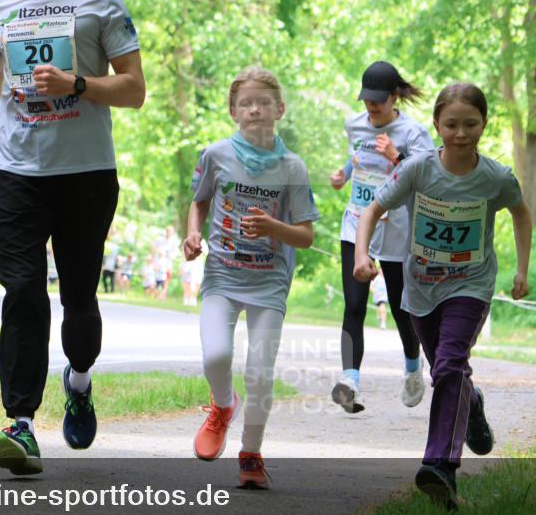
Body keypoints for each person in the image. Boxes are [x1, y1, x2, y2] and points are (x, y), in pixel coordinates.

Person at [0, 0, 145, 475]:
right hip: (15, 170)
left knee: (79, 298)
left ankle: (79, 380)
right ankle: (19, 424)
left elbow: (134, 88)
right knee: (22, 290)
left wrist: (76, 84)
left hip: (85, 172)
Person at [354, 82, 532, 509]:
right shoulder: (417, 170)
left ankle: (440, 468)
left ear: (484, 124)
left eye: (471, 124)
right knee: (447, 371)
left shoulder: (495, 177)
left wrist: (522, 269)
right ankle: (471, 403)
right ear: (436, 125)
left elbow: (521, 213)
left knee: (450, 363)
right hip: (421, 288)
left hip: (470, 286)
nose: (461, 133)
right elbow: (373, 210)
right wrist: (362, 254)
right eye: (451, 124)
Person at [183, 66, 319, 489]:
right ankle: (223, 405)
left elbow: (306, 236)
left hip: (268, 282)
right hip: (222, 276)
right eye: (246, 103)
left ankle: (251, 453)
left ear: (279, 109)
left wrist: (273, 228)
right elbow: (199, 201)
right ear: (233, 111)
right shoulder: (215, 155)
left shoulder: (292, 168)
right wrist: (192, 234)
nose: (255, 109)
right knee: (215, 356)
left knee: (260, 373)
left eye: (264, 102)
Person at [329, 61, 435, 413]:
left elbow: (428, 179)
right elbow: (357, 156)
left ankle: (412, 368)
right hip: (356, 223)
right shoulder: (354, 124)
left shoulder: (413, 132)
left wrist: (397, 156)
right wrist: (344, 174)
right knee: (354, 303)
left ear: (394, 97)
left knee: (401, 308)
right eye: (367, 99)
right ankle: (350, 382)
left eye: (378, 100)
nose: (371, 106)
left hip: (397, 231)